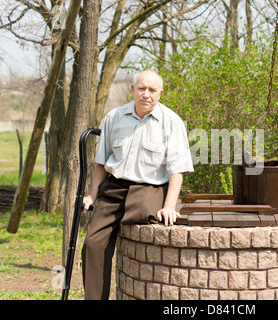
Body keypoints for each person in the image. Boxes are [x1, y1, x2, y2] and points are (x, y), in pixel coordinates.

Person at [81, 70, 194, 300]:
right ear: (132, 90)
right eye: (141, 88)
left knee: (147, 219)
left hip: (149, 188)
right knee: (92, 244)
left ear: (160, 93)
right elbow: (101, 163)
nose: (146, 94)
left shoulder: (172, 122)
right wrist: (92, 196)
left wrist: (170, 206)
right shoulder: (114, 117)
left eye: (152, 90)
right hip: (114, 188)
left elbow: (177, 170)